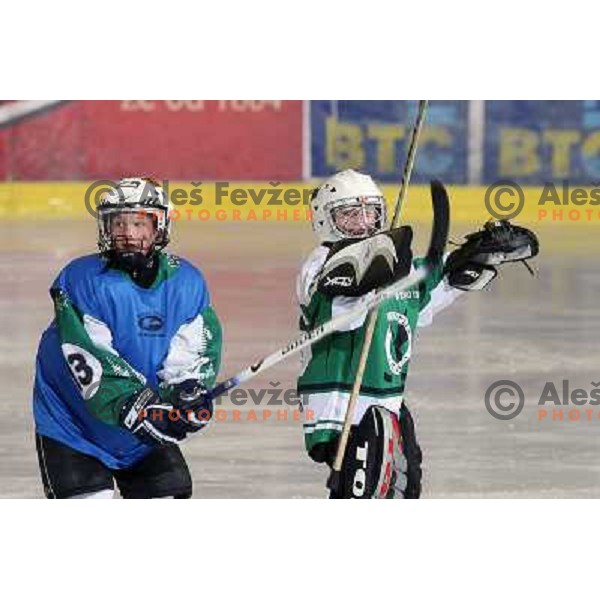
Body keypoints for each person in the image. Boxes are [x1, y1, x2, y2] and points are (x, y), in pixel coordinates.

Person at [296, 169, 539, 498]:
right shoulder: (320, 262)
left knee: (405, 487)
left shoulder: (395, 263)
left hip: (387, 400)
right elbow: (345, 312)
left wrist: (464, 264)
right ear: (326, 220)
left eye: (371, 212)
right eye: (351, 215)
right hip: (341, 404)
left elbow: (417, 305)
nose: (365, 223)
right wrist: (380, 269)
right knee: (362, 493)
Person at [33, 177, 222, 499]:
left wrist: (187, 389)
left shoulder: (187, 281)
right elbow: (89, 352)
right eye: (118, 222)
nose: (127, 233)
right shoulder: (79, 279)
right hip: (74, 426)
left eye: (138, 223)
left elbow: (194, 346)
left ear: (159, 227)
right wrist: (133, 406)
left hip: (141, 429)